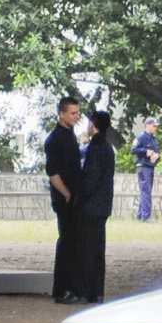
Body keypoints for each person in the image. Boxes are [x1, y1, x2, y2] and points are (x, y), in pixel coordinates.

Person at [74, 109, 117, 302]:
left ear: (93, 124)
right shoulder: (108, 148)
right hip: (103, 204)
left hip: (91, 205)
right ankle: (97, 291)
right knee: (98, 249)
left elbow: (91, 177)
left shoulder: (94, 147)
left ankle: (85, 291)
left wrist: (80, 197)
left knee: (87, 250)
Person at [44, 97, 84, 303]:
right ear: (62, 113)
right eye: (72, 113)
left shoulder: (70, 135)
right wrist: (67, 194)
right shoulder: (55, 139)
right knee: (67, 242)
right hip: (65, 199)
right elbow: (53, 173)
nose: (76, 117)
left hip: (73, 197)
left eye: (77, 113)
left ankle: (68, 286)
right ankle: (63, 288)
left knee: (72, 242)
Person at [132, 117, 160, 222]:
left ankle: (141, 215)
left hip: (150, 166)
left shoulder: (153, 139)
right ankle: (146, 215)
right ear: (147, 125)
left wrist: (156, 156)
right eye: (154, 126)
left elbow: (157, 152)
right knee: (146, 191)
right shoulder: (141, 137)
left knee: (146, 191)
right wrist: (145, 151)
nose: (155, 128)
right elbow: (134, 149)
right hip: (143, 166)